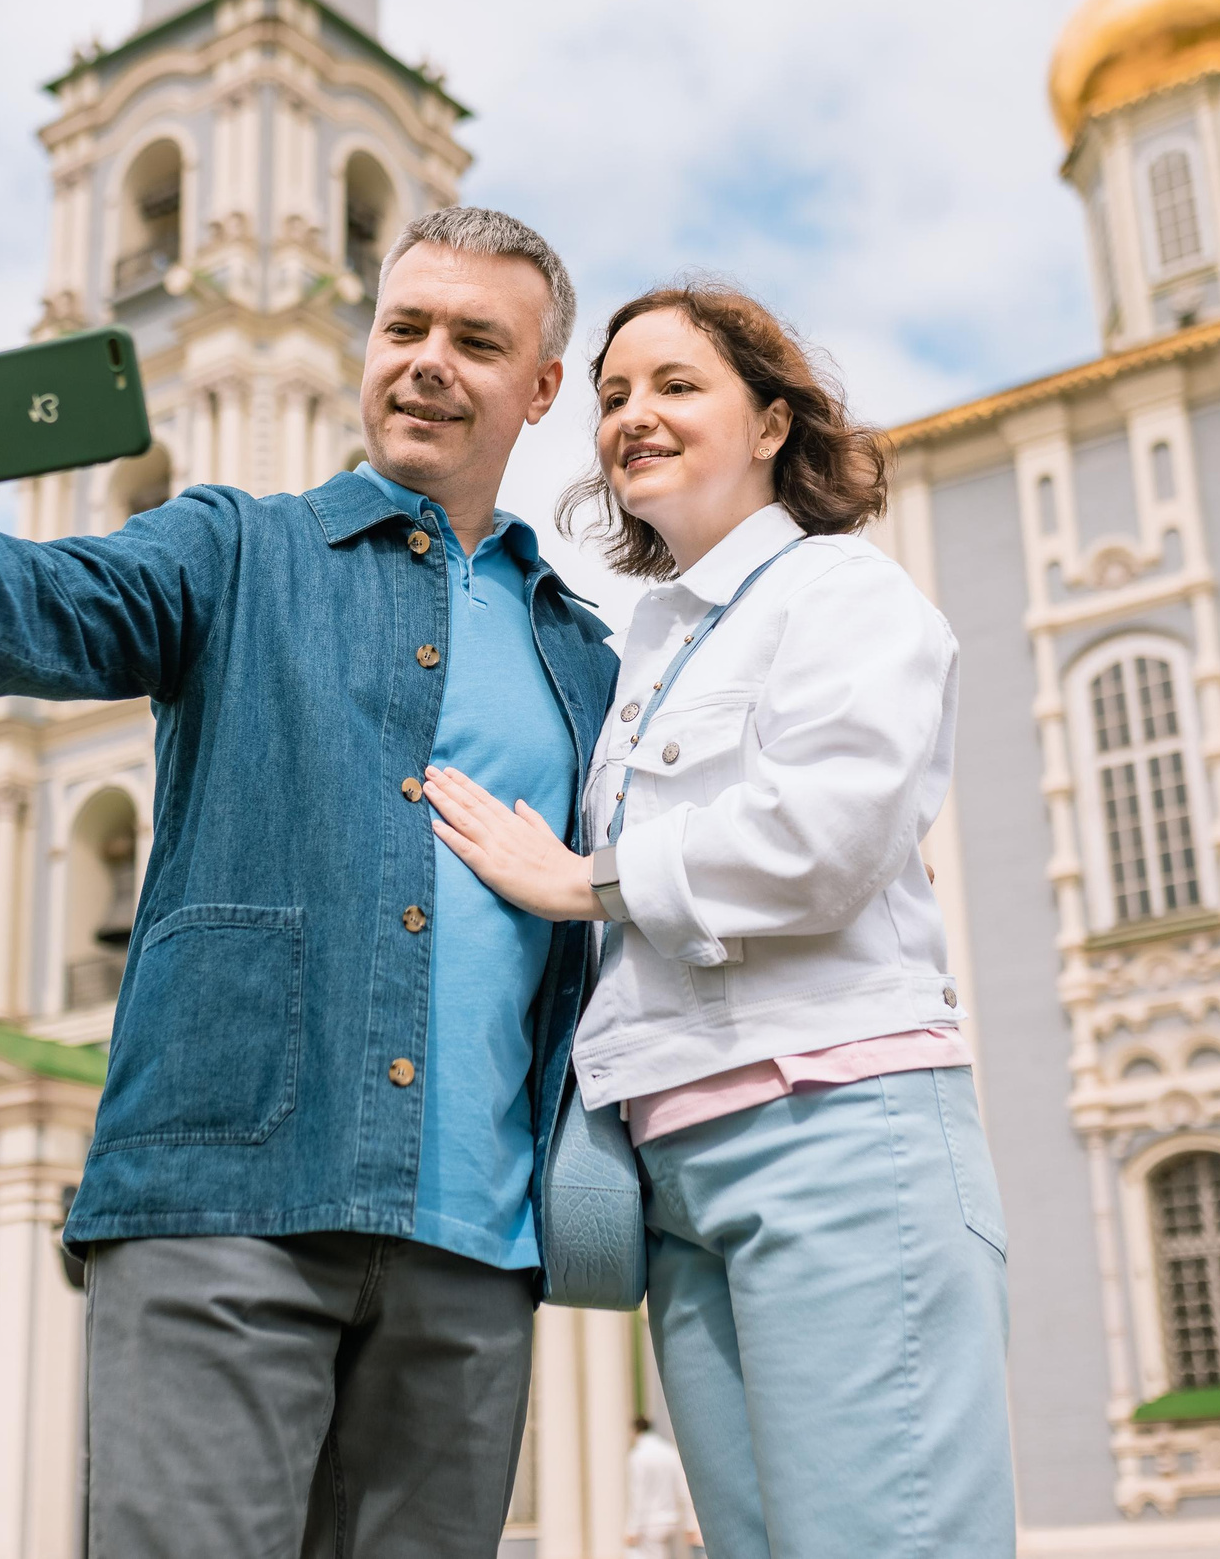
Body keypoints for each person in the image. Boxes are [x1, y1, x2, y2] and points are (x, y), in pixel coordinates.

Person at [0, 206, 619, 1559]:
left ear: (542, 388)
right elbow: (48, 605)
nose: (428, 360)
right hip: (224, 1213)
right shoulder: (232, 547)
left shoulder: (581, 652)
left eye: (477, 340)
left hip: (475, 1254)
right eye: (404, 326)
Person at [422, 281, 1015, 1558]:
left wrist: (586, 878)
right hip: (677, 1181)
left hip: (835, 1138)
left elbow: (826, 842)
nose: (633, 415)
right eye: (614, 395)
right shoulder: (642, 648)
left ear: (770, 423)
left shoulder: (843, 596)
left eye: (676, 385)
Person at [626, 1416, 699, 1558]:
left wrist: (632, 1528)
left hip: (650, 1523)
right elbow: (683, 1490)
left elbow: (638, 1494)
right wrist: (690, 1524)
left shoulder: (638, 1456)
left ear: (635, 1431)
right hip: (672, 1520)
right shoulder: (670, 1452)